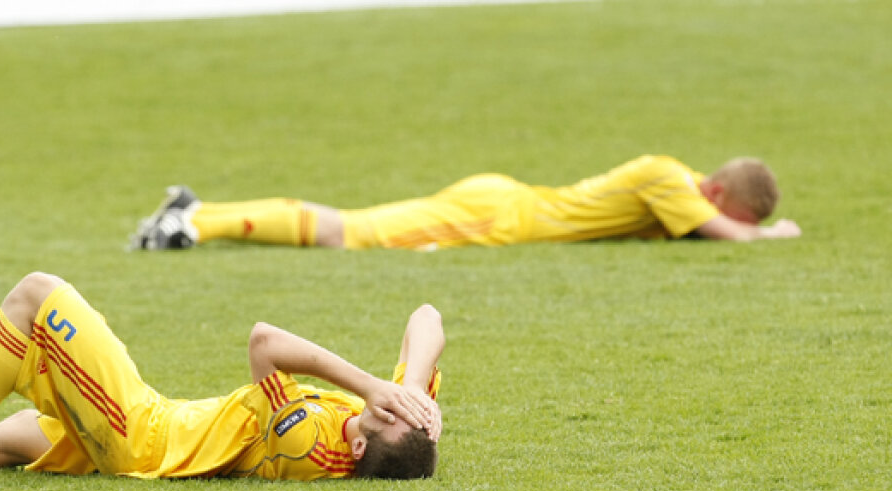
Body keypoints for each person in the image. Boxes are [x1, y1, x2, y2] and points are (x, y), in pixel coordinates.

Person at [0, 273, 444, 482]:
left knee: (36, 296)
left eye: (387, 409)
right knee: (12, 438)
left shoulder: (309, 442)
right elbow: (428, 315)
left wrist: (370, 381)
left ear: (358, 448)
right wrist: (411, 384)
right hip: (151, 435)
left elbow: (264, 342)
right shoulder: (389, 423)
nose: (385, 400)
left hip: (141, 434)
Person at [128, 155, 802, 251]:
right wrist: (770, 237)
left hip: (503, 208)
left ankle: (194, 216)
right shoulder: (672, 180)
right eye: (733, 213)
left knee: (351, 230)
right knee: (349, 233)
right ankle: (195, 218)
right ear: (717, 192)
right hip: (497, 215)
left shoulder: (673, 182)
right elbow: (725, 235)